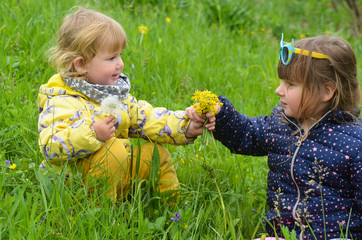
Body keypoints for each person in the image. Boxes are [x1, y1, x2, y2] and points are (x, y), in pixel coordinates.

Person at [186, 34, 361, 239]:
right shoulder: (281, 122)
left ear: (326, 91)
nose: (279, 90)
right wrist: (221, 115)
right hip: (283, 234)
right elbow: (246, 134)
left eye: (290, 84)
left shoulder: (354, 144)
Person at [37, 7, 203, 201]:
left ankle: (175, 211)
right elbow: (51, 146)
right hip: (75, 184)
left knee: (156, 154)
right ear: (81, 64)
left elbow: (147, 118)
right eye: (111, 58)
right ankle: (102, 214)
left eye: (120, 55)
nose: (120, 64)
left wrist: (186, 127)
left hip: (117, 171)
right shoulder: (62, 99)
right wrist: (92, 133)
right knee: (113, 148)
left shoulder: (114, 94)